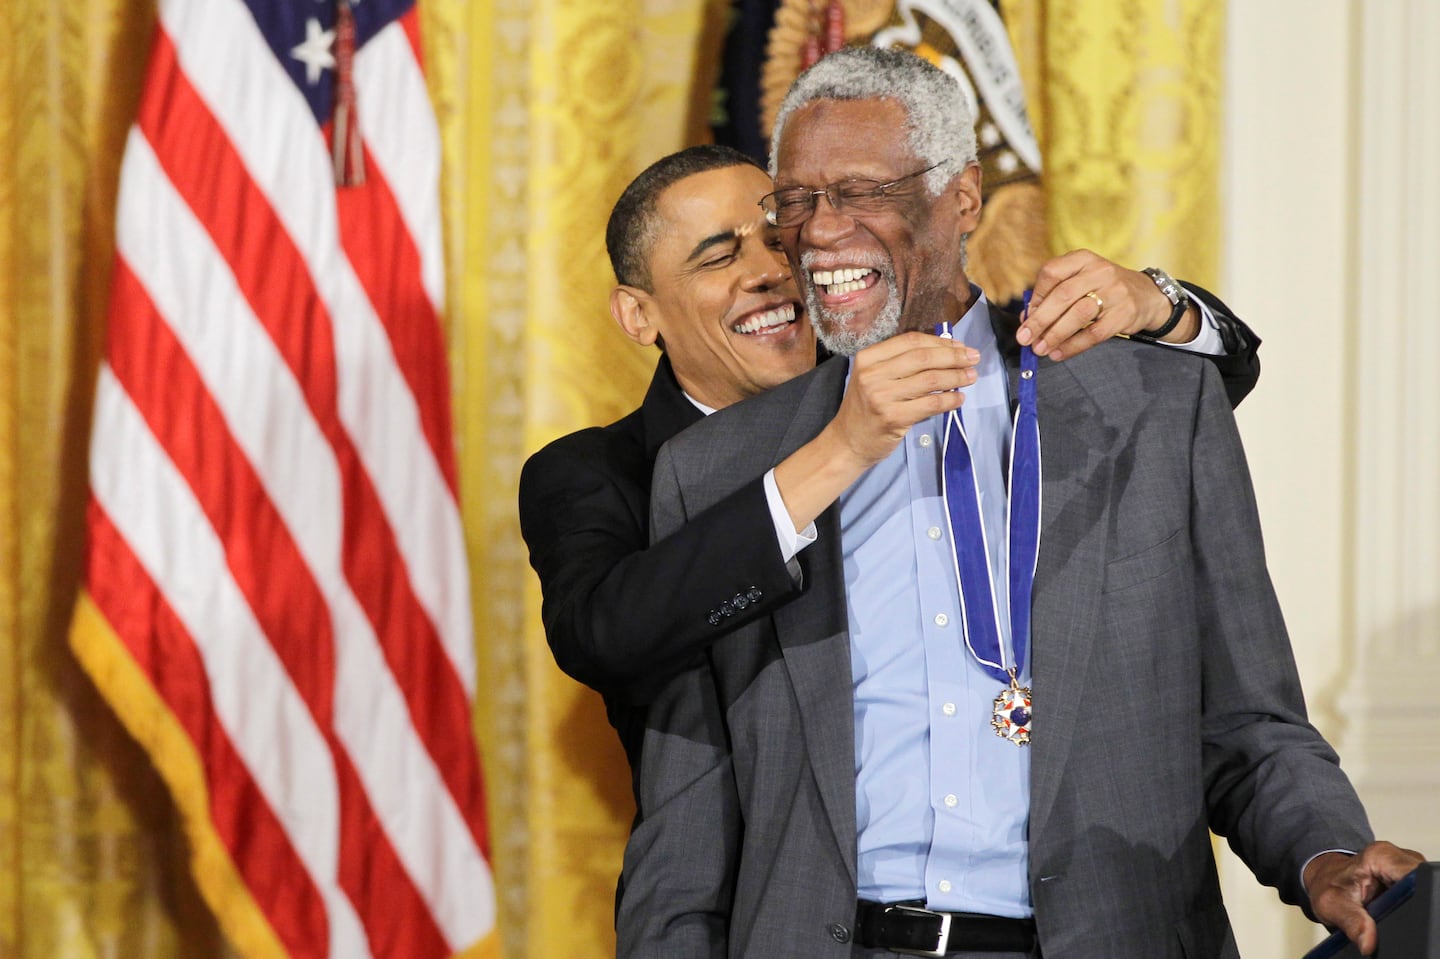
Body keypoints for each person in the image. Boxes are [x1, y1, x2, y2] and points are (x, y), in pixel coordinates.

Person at [617, 48, 1422, 959]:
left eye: (857, 191)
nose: (816, 231)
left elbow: (1248, 722)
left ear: (961, 198)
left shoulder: (1149, 409)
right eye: (794, 199)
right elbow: (685, 825)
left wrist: (1327, 854)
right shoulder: (728, 470)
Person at [519, 145, 1259, 804]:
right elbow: (606, 634)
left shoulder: (900, 370)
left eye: (778, 238)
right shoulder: (596, 473)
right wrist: (840, 451)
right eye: (718, 256)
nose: (771, 271)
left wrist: (1160, 304)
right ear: (637, 314)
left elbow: (1194, 391)